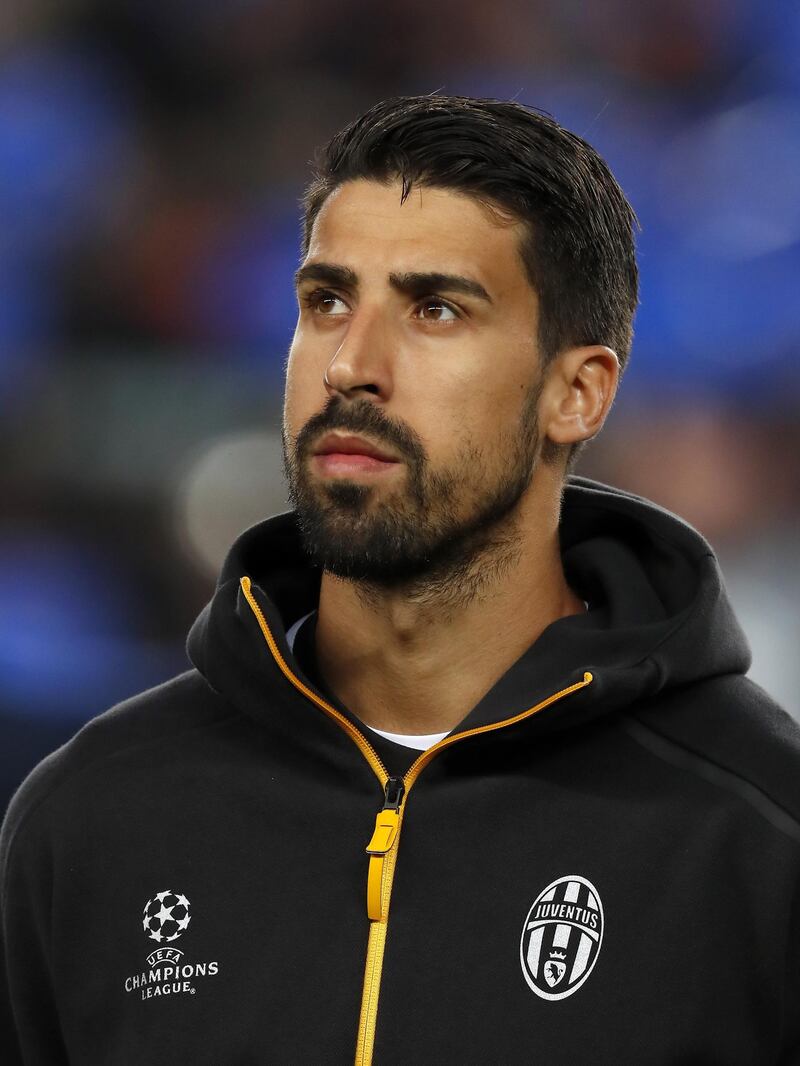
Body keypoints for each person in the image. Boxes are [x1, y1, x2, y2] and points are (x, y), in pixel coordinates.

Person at [2, 94, 799, 1066]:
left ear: (575, 392)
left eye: (434, 309)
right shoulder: (91, 814)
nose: (351, 364)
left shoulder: (755, 831)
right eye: (325, 301)